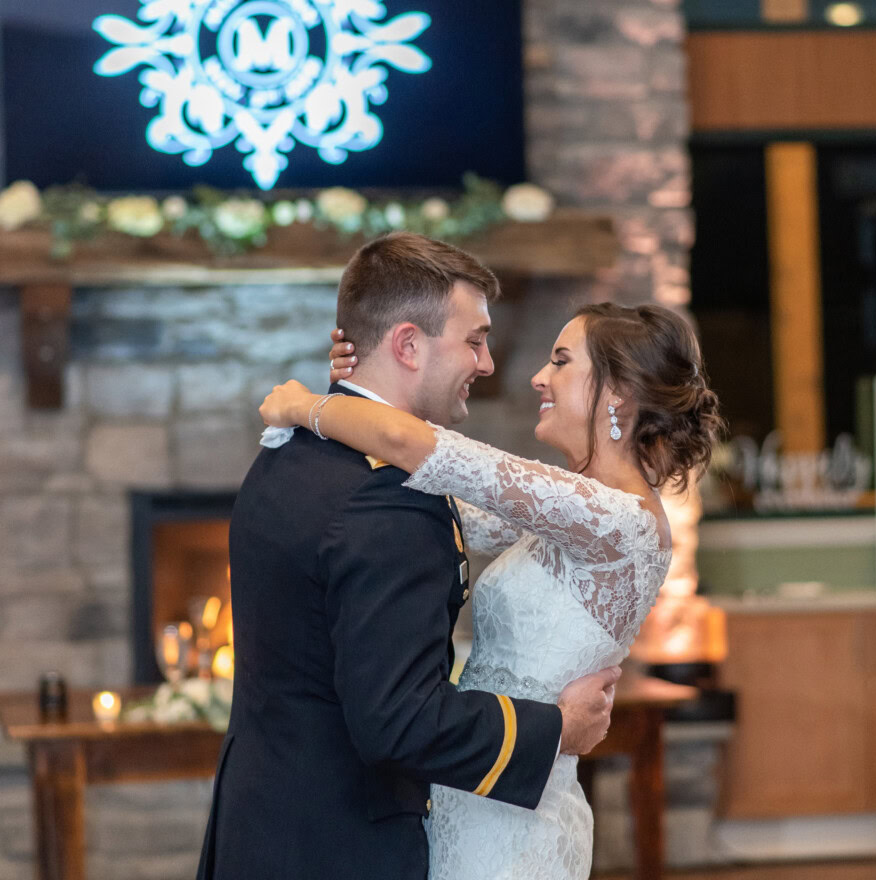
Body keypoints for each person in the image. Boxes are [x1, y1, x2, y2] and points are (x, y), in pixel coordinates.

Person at [260, 285, 723, 880]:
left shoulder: (616, 519)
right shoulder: (569, 509)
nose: (536, 377)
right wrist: (363, 388)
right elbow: (425, 497)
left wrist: (303, 406)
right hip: (472, 789)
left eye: (560, 361)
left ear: (621, 395)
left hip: (516, 826)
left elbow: (418, 449)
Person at [196, 233, 621, 880]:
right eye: (474, 340)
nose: (487, 362)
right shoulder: (386, 502)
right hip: (340, 848)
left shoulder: (293, 447)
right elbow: (401, 721)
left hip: (263, 823)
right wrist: (555, 730)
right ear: (407, 344)